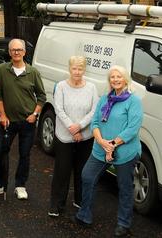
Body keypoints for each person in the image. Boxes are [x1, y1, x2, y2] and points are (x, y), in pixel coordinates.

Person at [73, 66, 143, 237]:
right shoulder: (104, 99)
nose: (115, 79)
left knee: (124, 187)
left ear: (125, 79)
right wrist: (102, 141)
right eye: (112, 77)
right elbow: (95, 122)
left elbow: (133, 128)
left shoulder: (134, 101)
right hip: (100, 148)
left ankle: (124, 224)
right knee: (87, 176)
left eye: (119, 76)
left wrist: (112, 144)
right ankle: (84, 215)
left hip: (125, 151)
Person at [0, 38, 46, 200]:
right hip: (7, 121)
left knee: (24, 154)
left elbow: (41, 96)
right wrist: (2, 115)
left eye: (19, 50)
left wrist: (35, 114)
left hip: (27, 122)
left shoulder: (33, 72)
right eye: (13, 50)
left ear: (24, 52)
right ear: (9, 52)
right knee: (0, 152)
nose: (16, 52)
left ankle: (20, 185)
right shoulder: (3, 69)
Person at [48, 56, 98, 217]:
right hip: (64, 136)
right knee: (62, 171)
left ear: (84, 70)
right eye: (74, 68)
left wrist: (80, 127)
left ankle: (80, 200)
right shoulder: (61, 86)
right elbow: (59, 110)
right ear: (69, 69)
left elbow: (94, 111)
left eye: (80, 69)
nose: (77, 72)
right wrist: (73, 128)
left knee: (82, 171)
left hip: (85, 136)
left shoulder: (91, 87)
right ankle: (56, 205)